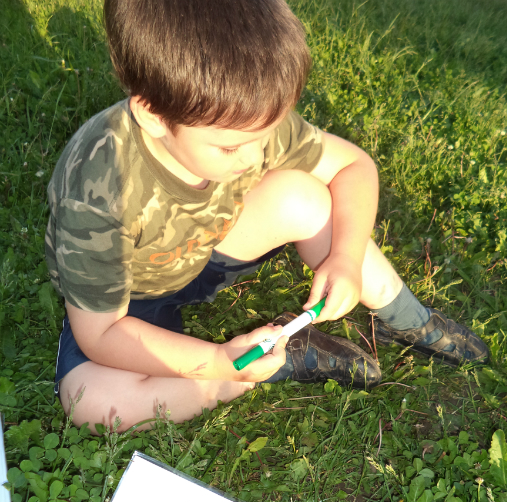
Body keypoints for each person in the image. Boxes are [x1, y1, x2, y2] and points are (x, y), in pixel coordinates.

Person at [45, 0, 488, 432]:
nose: (256, 157)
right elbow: (101, 334)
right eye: (231, 148)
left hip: (209, 251)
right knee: (95, 404)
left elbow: (355, 166)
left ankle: (407, 317)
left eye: (267, 134)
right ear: (153, 115)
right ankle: (274, 361)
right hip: (128, 305)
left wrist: (347, 258)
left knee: (302, 197)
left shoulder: (239, 120)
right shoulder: (100, 186)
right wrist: (220, 363)